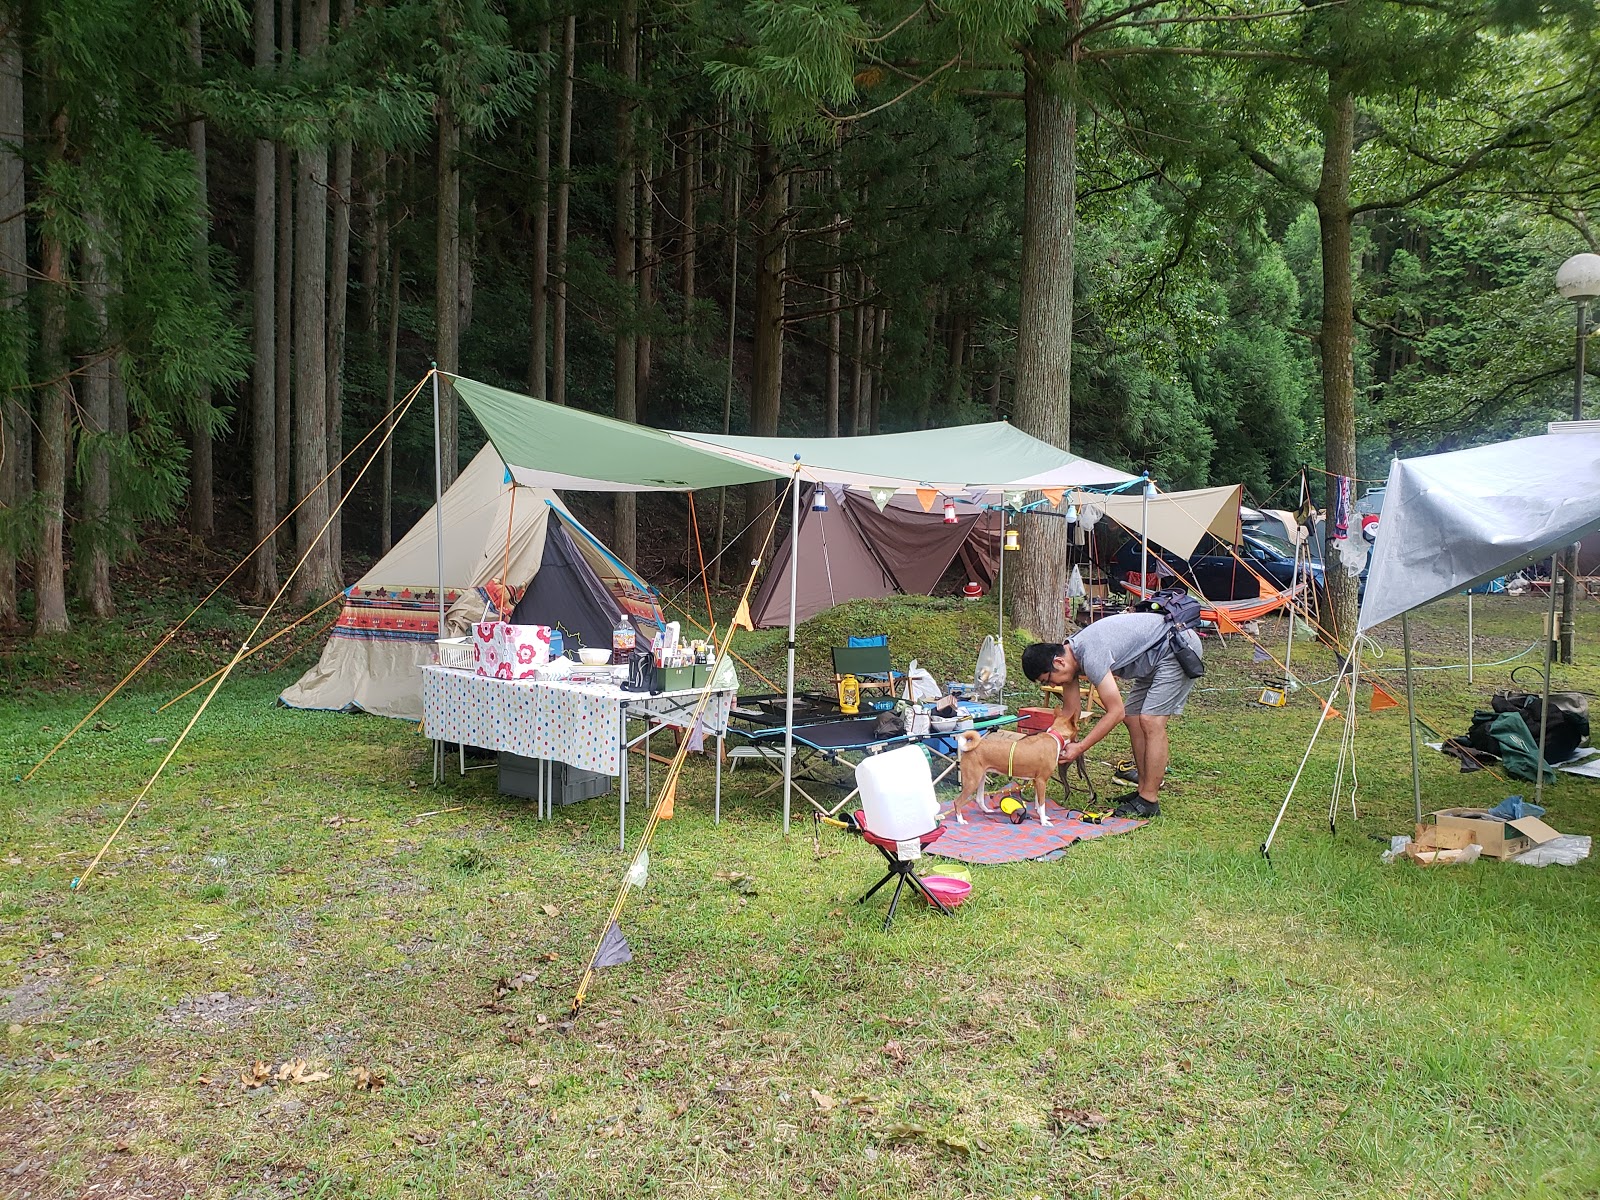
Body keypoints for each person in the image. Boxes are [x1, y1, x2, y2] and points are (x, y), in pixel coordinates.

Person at [1020, 613, 1202, 818]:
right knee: (1133, 718)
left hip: (1177, 647)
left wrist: (1079, 747)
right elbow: (1071, 714)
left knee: (1151, 721)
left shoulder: (1091, 655)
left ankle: (1149, 800)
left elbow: (1115, 712)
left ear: (1059, 663)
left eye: (1049, 679)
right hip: (1152, 656)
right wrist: (1053, 743)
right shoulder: (1069, 656)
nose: (1052, 686)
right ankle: (1143, 790)